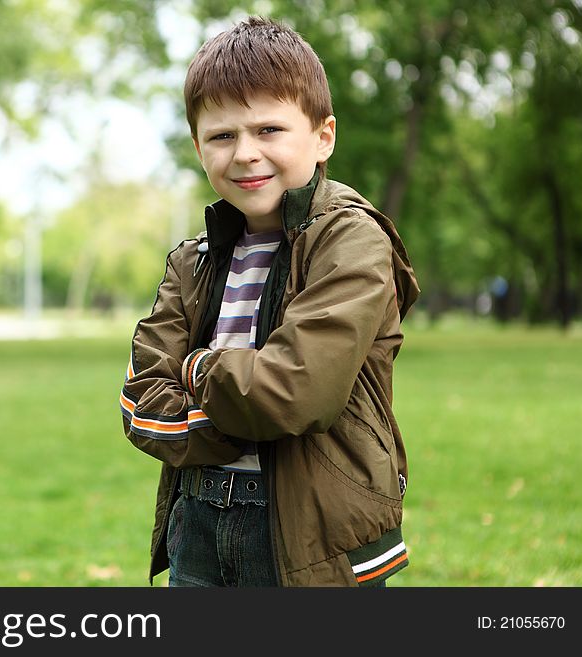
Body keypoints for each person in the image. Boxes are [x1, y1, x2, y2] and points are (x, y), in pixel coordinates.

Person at [119, 16, 420, 587]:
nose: (245, 154)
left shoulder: (350, 239)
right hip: (199, 520)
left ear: (323, 135)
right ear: (198, 146)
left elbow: (295, 393)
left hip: (316, 532)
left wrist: (198, 367)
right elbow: (139, 401)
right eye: (222, 136)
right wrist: (240, 413)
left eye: (270, 130)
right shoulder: (194, 258)